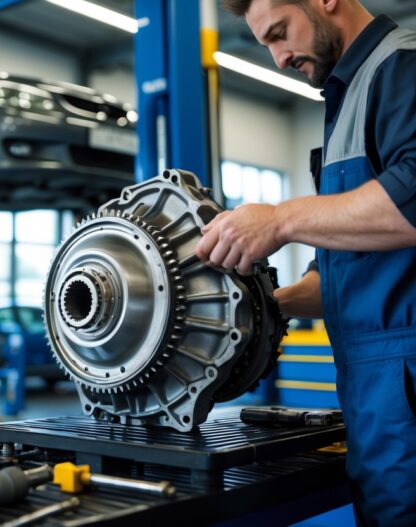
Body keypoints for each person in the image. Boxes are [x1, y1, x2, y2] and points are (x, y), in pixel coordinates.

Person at [197, 0, 416, 525]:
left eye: (280, 33)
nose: (277, 57)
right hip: (376, 396)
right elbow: (345, 269)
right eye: (266, 43)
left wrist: (280, 219)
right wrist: (261, 307)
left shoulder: (401, 67)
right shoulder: (346, 98)